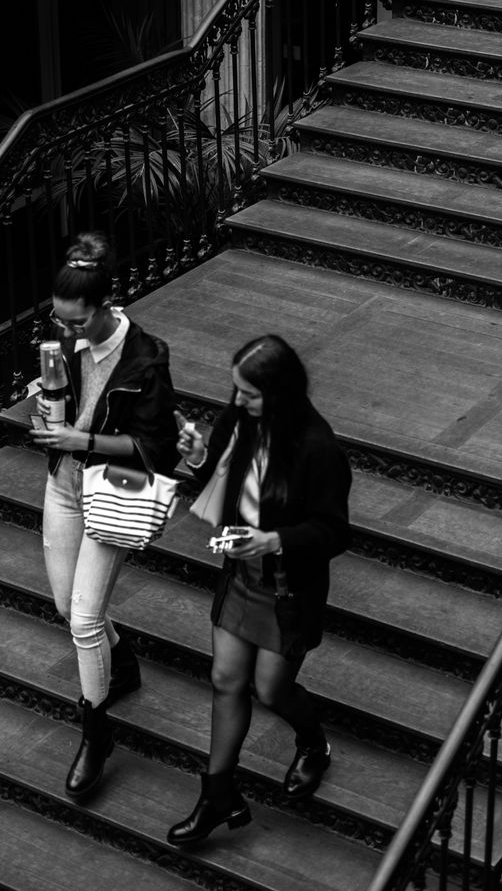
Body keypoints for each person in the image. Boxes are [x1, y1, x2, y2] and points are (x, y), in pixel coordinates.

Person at [167, 334, 352, 846]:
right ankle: (217, 794)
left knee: (270, 689)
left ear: (282, 393)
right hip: (241, 575)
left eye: (248, 393)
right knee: (226, 679)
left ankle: (314, 744)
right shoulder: (238, 421)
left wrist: (275, 539)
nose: (236, 401)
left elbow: (335, 531)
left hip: (288, 587)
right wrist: (201, 455)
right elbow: (220, 482)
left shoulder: (317, 448)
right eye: (236, 390)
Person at [30, 231, 177, 801]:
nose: (64, 332)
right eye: (57, 320)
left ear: (104, 306)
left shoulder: (145, 356)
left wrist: (80, 435)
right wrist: (47, 408)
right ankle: (123, 660)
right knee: (68, 606)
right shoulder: (63, 345)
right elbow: (63, 400)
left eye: (74, 323)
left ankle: (96, 734)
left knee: (84, 620)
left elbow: (157, 446)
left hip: (112, 487)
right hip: (64, 483)